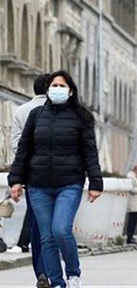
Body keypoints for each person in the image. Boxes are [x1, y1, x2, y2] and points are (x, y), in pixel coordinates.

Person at [8, 70, 103, 288]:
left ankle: (73, 274)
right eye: (54, 86)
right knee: (46, 237)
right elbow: (23, 150)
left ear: (70, 91)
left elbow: (90, 151)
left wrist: (95, 182)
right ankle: (57, 282)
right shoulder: (36, 116)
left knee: (61, 229)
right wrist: (16, 180)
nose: (57, 90)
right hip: (38, 185)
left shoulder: (82, 117)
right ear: (47, 90)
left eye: (62, 86)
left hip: (69, 183)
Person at [9, 73, 51, 287]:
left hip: (33, 176)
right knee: (59, 226)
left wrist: (20, 174)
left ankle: (42, 271)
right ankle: (55, 271)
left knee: (37, 224)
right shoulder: (66, 111)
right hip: (61, 178)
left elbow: (16, 145)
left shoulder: (20, 110)